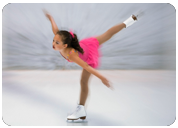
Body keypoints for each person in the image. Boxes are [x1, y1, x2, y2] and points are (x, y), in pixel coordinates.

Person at [43, 9, 138, 121]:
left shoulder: (72, 54)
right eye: (54, 40)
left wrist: (102, 77)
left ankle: (81, 109)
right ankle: (130, 20)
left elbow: (86, 66)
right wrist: (51, 18)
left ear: (65, 45)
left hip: (88, 57)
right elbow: (56, 30)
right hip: (87, 44)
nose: (53, 44)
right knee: (107, 34)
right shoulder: (61, 39)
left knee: (83, 82)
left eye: (56, 43)